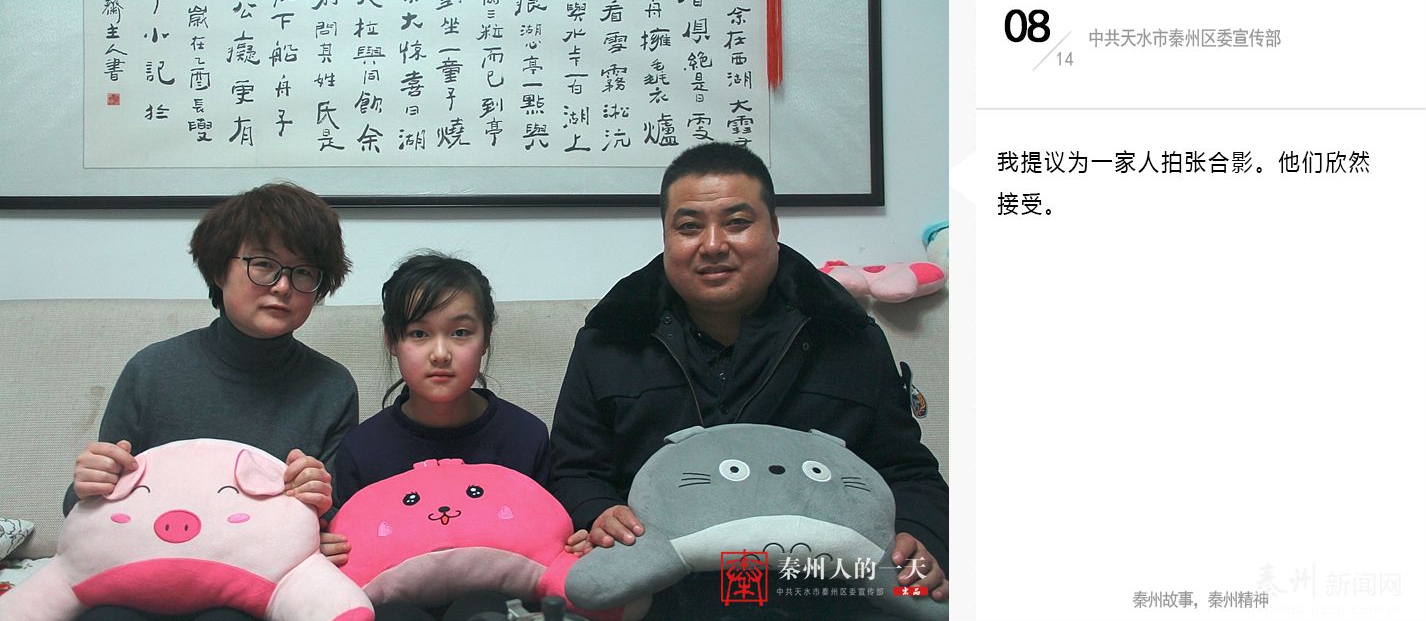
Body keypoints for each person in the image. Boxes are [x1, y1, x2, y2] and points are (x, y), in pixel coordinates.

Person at [547, 143, 950, 619]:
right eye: (688, 227)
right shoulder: (611, 337)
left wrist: (918, 532)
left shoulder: (846, 334)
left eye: (737, 222)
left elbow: (908, 471)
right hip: (668, 590)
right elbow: (574, 469)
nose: (713, 244)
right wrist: (599, 510)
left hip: (820, 591)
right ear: (666, 235)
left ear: (774, 228)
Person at [66, 182, 358, 621]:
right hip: (145, 572)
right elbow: (88, 507)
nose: (283, 286)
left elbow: (330, 522)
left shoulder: (332, 386)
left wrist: (317, 501)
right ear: (220, 270)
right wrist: (88, 484)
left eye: (303, 272)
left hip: (249, 584)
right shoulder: (153, 370)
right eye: (264, 265)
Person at [322, 252, 552, 621]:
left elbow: (547, 544)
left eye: (460, 333)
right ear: (392, 341)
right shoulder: (362, 448)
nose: (440, 354)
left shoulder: (525, 436)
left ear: (486, 338)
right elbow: (354, 561)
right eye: (419, 333)